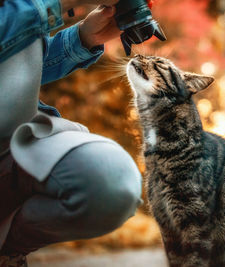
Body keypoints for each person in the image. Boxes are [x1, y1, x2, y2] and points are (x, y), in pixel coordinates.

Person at [0, 0, 145, 266]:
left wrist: (82, 38)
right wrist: (55, 4)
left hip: (17, 140)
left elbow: (16, 63)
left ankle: (6, 250)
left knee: (109, 181)